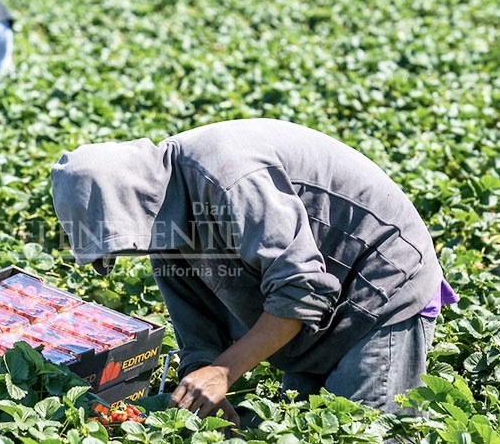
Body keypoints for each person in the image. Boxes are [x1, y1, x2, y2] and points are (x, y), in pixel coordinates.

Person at [50, 118, 458, 424]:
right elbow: (198, 330)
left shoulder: (227, 173)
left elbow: (302, 288)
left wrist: (224, 372)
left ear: (135, 201)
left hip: (379, 292)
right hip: (311, 324)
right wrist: (202, 381)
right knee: (306, 425)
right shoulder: (163, 220)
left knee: (357, 428)